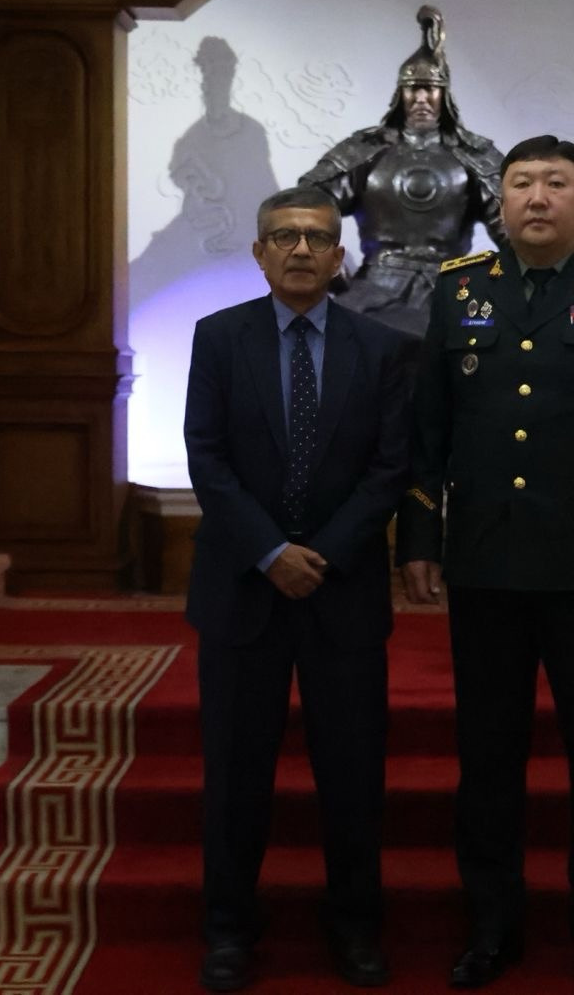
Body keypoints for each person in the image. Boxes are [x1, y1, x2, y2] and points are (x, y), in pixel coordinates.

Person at [396, 136, 574, 995]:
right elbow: (428, 427)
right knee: (487, 762)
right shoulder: (460, 288)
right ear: (502, 201)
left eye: (555, 183)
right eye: (521, 183)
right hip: (485, 565)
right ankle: (493, 928)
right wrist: (419, 539)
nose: (536, 197)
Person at [184, 185, 412, 992]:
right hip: (241, 591)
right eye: (284, 236)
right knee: (234, 776)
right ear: (259, 253)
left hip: (341, 593)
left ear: (340, 255)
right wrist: (270, 551)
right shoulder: (219, 337)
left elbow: (390, 468)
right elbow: (206, 457)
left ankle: (354, 926)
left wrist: (322, 554)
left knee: (352, 776)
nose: (302, 250)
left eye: (318, 237)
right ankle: (228, 930)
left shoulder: (382, 349)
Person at [299, 6, 505, 338]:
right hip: (375, 286)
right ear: (401, 94)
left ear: (444, 94)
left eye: (430, 88)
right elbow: (304, 206)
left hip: (453, 290)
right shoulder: (367, 149)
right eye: (413, 88)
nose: (421, 98)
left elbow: (516, 229)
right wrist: (329, 269)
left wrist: (511, 287)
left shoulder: (473, 155)